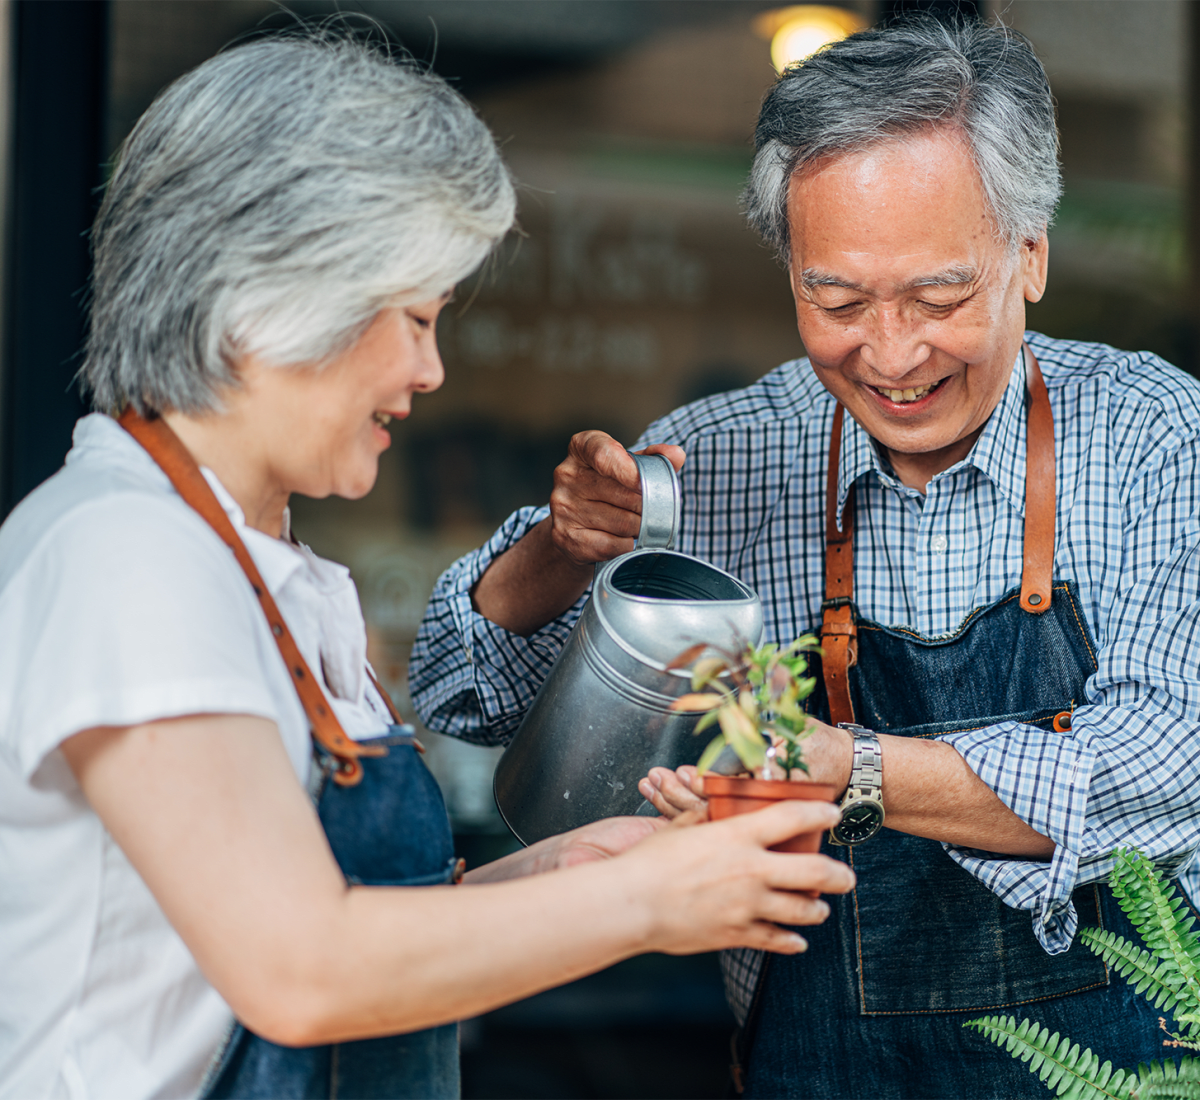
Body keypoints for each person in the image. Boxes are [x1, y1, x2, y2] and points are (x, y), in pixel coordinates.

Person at [0, 32, 857, 1100]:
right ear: (270, 292)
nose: (430, 369)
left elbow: (354, 919)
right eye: (413, 318)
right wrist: (653, 902)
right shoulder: (128, 558)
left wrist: (577, 867)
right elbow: (301, 968)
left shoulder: (257, 567)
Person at [410, 16, 1200, 1099]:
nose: (890, 351)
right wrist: (559, 550)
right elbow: (465, 695)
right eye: (836, 300)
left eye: (938, 295)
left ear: (1032, 253)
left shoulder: (1159, 437)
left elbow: (1167, 765)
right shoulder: (723, 456)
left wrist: (855, 770)